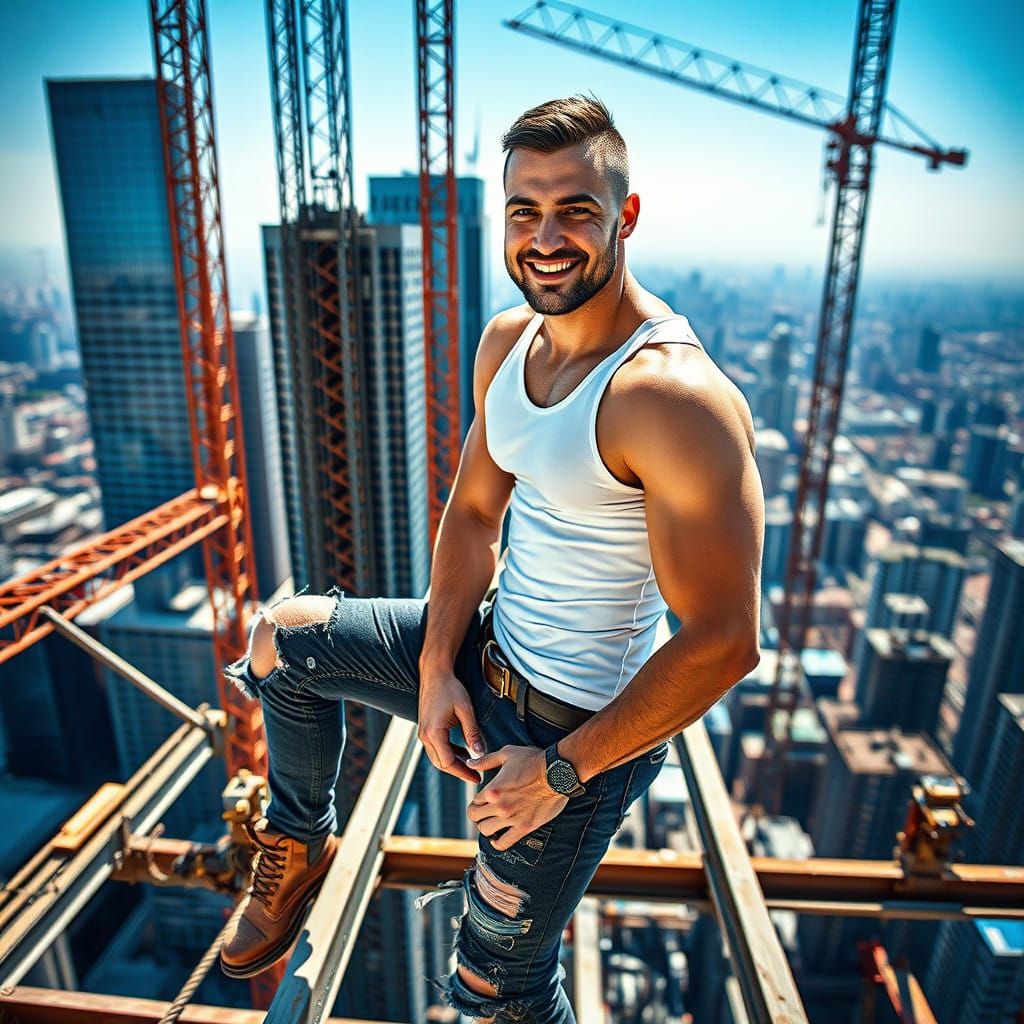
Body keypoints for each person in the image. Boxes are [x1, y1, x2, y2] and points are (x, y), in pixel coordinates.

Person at [219, 94, 764, 1023]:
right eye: (525, 210)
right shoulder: (509, 342)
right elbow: (473, 514)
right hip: (488, 654)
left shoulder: (674, 402)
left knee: (490, 985)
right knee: (281, 640)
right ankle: (300, 843)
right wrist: (436, 668)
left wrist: (558, 774)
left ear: (625, 217)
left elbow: (723, 642)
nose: (545, 238)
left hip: (580, 730)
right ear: (502, 216)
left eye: (575, 211)